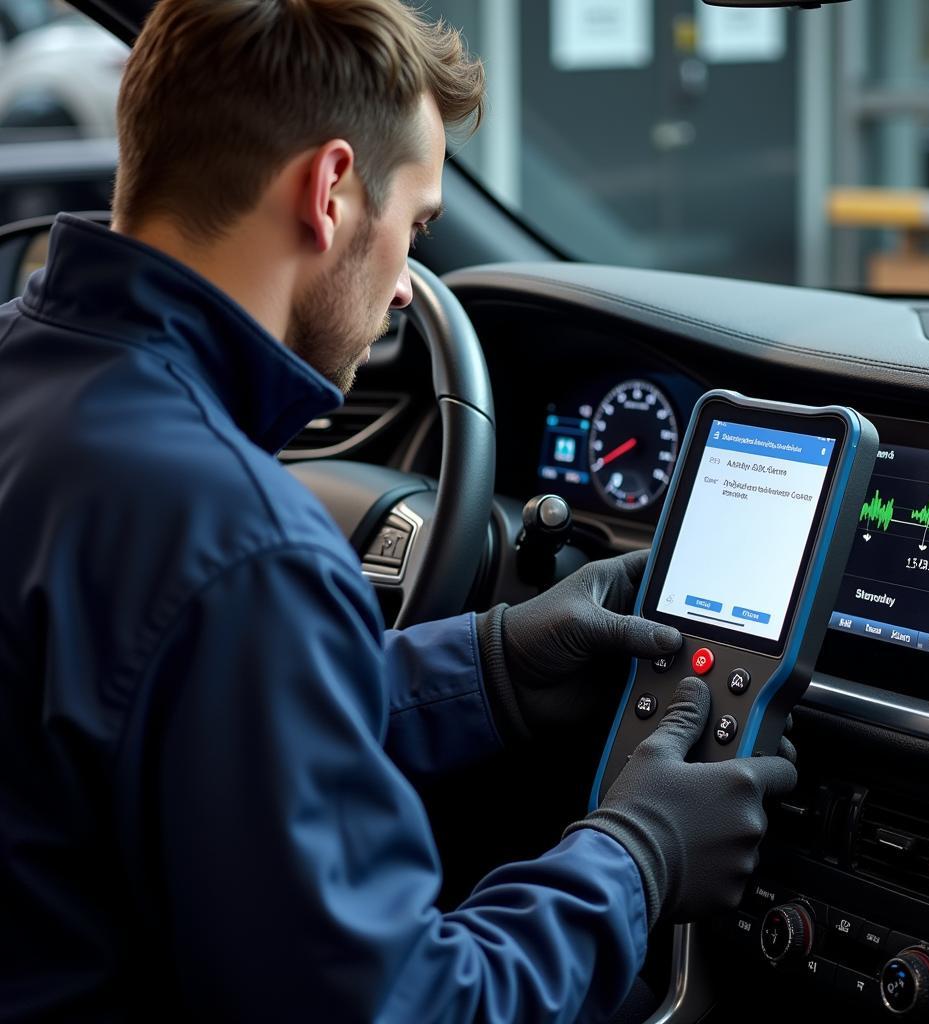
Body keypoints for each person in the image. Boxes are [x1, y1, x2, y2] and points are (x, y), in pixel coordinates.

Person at [0, 1, 797, 1021]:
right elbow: (401, 1003)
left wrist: (490, 665)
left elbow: (155, 711)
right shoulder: (240, 547)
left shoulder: (36, 379)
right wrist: (634, 858)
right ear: (329, 190)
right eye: (417, 226)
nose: (411, 290)